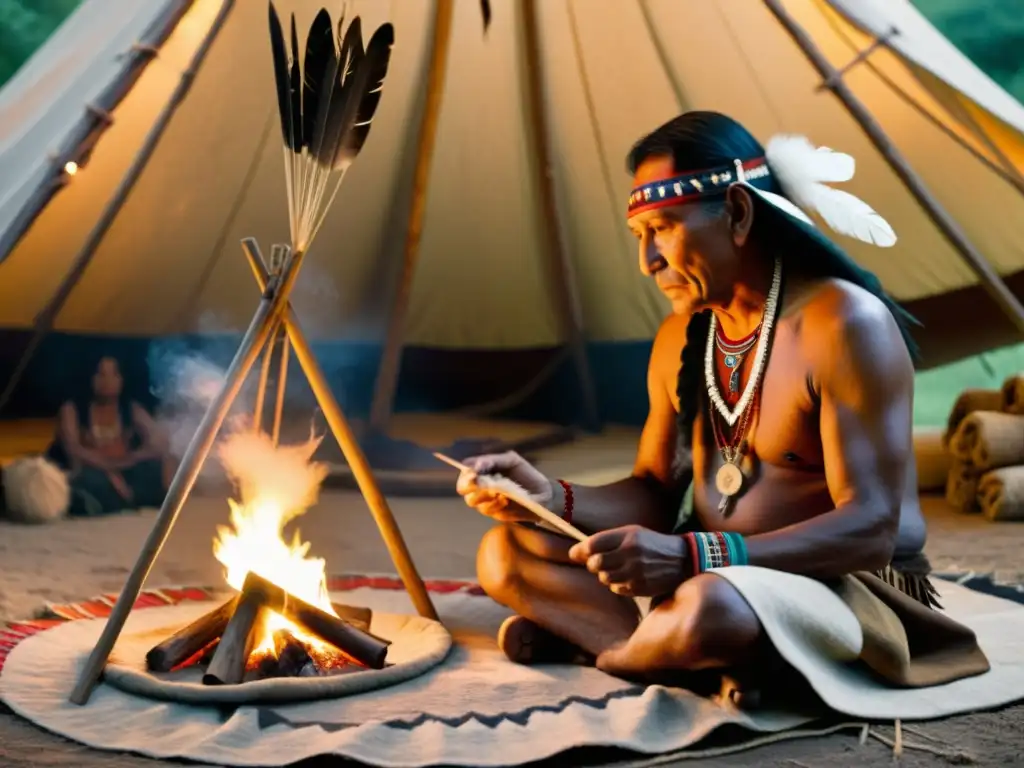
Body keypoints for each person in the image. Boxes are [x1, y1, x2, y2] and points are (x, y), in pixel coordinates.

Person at [457, 111, 989, 696]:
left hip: (846, 584)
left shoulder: (843, 325)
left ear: (737, 213)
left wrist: (695, 556)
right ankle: (658, 651)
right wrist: (547, 496)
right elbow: (655, 492)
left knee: (712, 608)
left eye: (663, 227)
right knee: (506, 551)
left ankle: (618, 654)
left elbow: (872, 530)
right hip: (711, 572)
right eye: (640, 236)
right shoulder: (681, 338)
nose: (648, 261)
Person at [47, 355, 170, 515]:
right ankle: (107, 501)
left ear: (121, 379)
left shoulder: (130, 409)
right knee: (89, 480)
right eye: (101, 374)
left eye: (113, 374)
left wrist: (129, 460)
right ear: (91, 378)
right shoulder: (72, 409)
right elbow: (74, 451)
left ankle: (125, 499)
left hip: (124, 469)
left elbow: (159, 443)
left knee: (158, 468)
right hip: (90, 472)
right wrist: (109, 470)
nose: (107, 381)